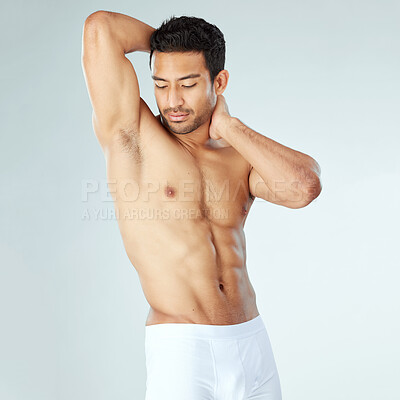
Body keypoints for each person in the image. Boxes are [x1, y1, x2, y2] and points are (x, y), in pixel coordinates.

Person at [81, 10, 322, 400]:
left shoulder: (238, 155)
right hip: (182, 350)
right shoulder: (133, 135)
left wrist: (229, 126)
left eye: (188, 84)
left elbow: (304, 187)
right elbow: (100, 29)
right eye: (161, 84)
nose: (172, 100)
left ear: (219, 81)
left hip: (252, 343)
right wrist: (163, 45)